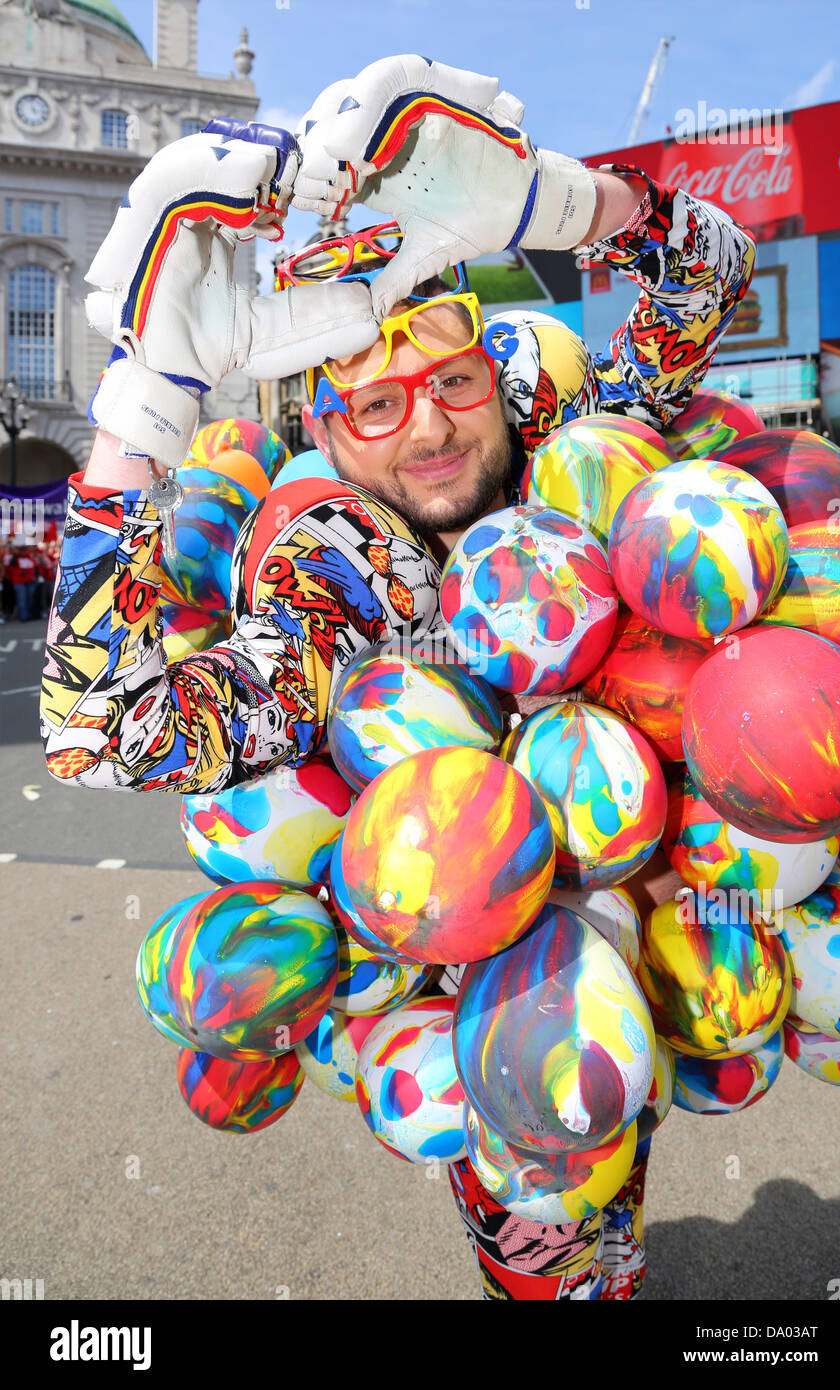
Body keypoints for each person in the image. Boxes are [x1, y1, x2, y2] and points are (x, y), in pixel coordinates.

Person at [39, 56, 756, 1300]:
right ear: (323, 427)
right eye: (375, 404)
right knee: (551, 1244)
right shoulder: (331, 585)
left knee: (621, 1181)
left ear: (495, 379)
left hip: (655, 922)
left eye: (452, 384)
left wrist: (573, 205)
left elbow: (712, 272)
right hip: (482, 991)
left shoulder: (561, 446)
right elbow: (96, 735)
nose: (429, 428)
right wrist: (143, 404)